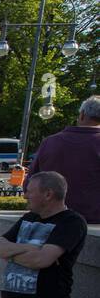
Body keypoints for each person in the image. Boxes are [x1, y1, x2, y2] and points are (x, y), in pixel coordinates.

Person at [26, 95, 100, 223]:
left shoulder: (50, 142)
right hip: (94, 219)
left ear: (82, 115)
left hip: (51, 217)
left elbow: (30, 182)